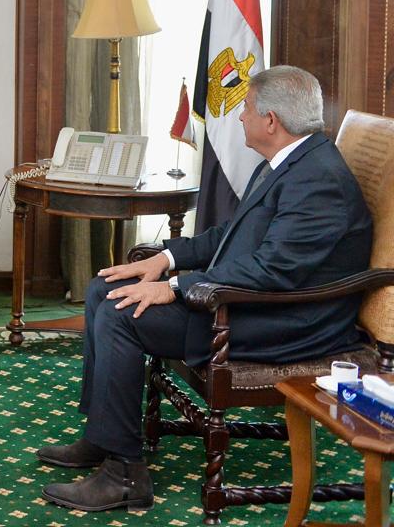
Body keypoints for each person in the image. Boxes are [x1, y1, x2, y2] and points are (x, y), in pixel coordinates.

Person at [39, 65, 373, 512]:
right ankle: (103, 436)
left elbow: (274, 271)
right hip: (247, 298)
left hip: (283, 320)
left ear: (271, 120)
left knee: (121, 315)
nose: (239, 117)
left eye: (246, 108)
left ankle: (124, 476)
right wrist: (164, 259)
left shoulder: (318, 180)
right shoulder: (290, 162)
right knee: (105, 288)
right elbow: (231, 235)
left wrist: (176, 288)